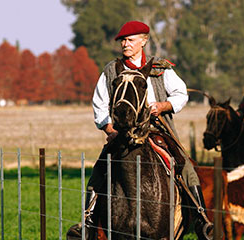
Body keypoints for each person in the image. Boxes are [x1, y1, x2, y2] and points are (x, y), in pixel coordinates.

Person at [87, 20, 213, 238]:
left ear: (143, 41)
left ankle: (202, 219)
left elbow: (181, 94)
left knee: (186, 166)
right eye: (123, 40)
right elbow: (99, 104)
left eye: (130, 40)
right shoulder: (111, 70)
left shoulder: (160, 68)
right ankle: (88, 221)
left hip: (157, 129)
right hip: (121, 132)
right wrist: (110, 130)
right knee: (99, 168)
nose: (125, 44)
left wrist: (162, 106)